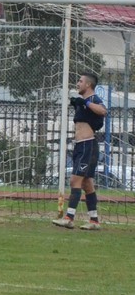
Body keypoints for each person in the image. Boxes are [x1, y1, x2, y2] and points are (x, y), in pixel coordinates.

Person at [52, 72, 107, 230]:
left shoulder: (93, 99)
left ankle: (69, 218)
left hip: (87, 145)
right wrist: (78, 104)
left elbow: (103, 111)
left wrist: (85, 103)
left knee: (74, 180)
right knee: (87, 184)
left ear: (88, 84)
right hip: (80, 145)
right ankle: (94, 221)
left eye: (80, 81)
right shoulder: (83, 102)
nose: (78, 83)